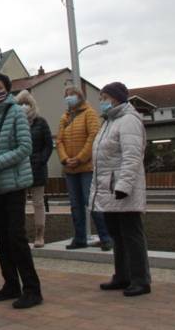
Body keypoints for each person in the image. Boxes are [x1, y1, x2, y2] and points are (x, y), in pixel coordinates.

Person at [0, 73, 42, 309]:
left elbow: (24, 148)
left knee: (16, 237)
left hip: (13, 185)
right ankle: (10, 284)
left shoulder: (16, 113)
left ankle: (32, 289)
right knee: (1, 238)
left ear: (7, 89)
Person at [91, 82, 151, 297]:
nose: (101, 102)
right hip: (109, 188)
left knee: (131, 234)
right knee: (117, 234)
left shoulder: (128, 120)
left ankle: (140, 280)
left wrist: (124, 185)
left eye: (104, 97)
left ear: (116, 98)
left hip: (122, 188)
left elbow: (132, 156)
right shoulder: (109, 121)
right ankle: (123, 276)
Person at [57, 86, 112, 251]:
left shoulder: (90, 113)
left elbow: (93, 136)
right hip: (70, 168)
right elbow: (59, 141)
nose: (69, 97)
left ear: (80, 96)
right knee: (75, 205)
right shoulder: (64, 117)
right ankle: (79, 238)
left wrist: (80, 158)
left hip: (86, 167)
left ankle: (105, 237)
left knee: (92, 202)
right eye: (66, 95)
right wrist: (65, 159)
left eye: (72, 94)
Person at [14, 90, 53, 248]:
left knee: (38, 202)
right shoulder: (15, 123)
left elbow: (48, 145)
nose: (24, 107)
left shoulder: (41, 122)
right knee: (19, 202)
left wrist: (40, 160)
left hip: (37, 168)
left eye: (27, 103)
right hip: (19, 168)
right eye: (20, 103)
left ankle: (40, 233)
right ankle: (20, 233)